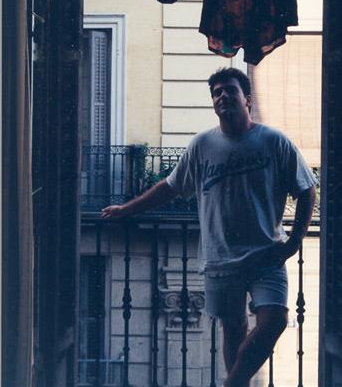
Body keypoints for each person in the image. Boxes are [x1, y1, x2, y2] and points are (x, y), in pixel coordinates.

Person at [101, 67, 316, 387]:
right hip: (220, 257)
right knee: (234, 328)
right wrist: (126, 210)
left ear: (248, 99)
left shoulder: (273, 141)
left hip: (267, 253)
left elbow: (307, 189)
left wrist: (294, 242)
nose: (222, 96)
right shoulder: (202, 144)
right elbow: (170, 187)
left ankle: (231, 384)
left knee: (275, 321)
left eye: (230, 90)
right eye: (216, 93)